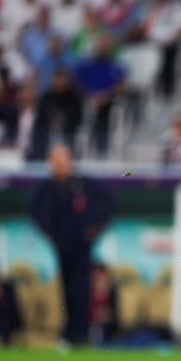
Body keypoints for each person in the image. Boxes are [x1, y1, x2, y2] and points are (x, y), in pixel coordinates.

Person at [31, 144, 114, 348]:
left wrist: (94, 229)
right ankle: (70, 333)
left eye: (65, 161)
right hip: (63, 247)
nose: (63, 166)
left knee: (82, 290)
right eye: (58, 162)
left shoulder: (83, 184)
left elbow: (108, 205)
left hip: (82, 247)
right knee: (67, 291)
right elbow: (35, 213)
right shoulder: (47, 188)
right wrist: (51, 235)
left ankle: (81, 333)